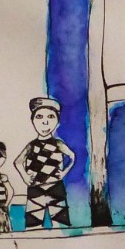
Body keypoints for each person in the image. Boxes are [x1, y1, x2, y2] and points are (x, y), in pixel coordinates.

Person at [15, 97, 75, 228]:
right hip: (36, 188)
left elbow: (72, 157)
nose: (45, 122)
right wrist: (25, 177)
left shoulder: (58, 144)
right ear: (32, 121)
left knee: (61, 225)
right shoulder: (31, 146)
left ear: (57, 122)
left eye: (51, 117)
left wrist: (64, 173)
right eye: (39, 117)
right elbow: (18, 162)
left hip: (55, 187)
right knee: (33, 225)